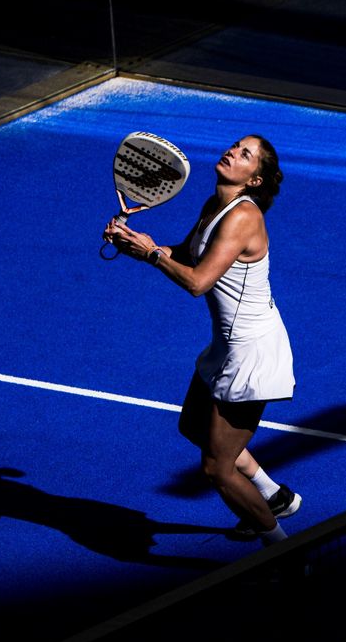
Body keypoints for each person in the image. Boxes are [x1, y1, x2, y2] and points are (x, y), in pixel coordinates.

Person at [104, 134, 300, 546]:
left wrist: (151, 255)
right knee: (193, 425)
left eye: (245, 155)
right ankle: (271, 495)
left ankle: (284, 548)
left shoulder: (243, 218)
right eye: (234, 146)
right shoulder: (216, 205)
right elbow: (191, 254)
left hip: (253, 353)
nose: (232, 152)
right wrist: (136, 245)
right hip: (227, 346)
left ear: (254, 180)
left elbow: (197, 282)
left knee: (216, 468)